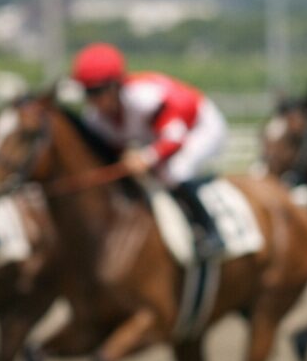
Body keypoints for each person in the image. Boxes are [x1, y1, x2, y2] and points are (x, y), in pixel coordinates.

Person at [70, 42, 228, 259]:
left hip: (199, 126)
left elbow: (175, 138)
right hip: (158, 136)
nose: (94, 100)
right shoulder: (95, 119)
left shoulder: (144, 98)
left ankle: (211, 231)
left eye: (98, 91)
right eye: (88, 92)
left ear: (116, 85)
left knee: (174, 172)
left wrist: (145, 158)